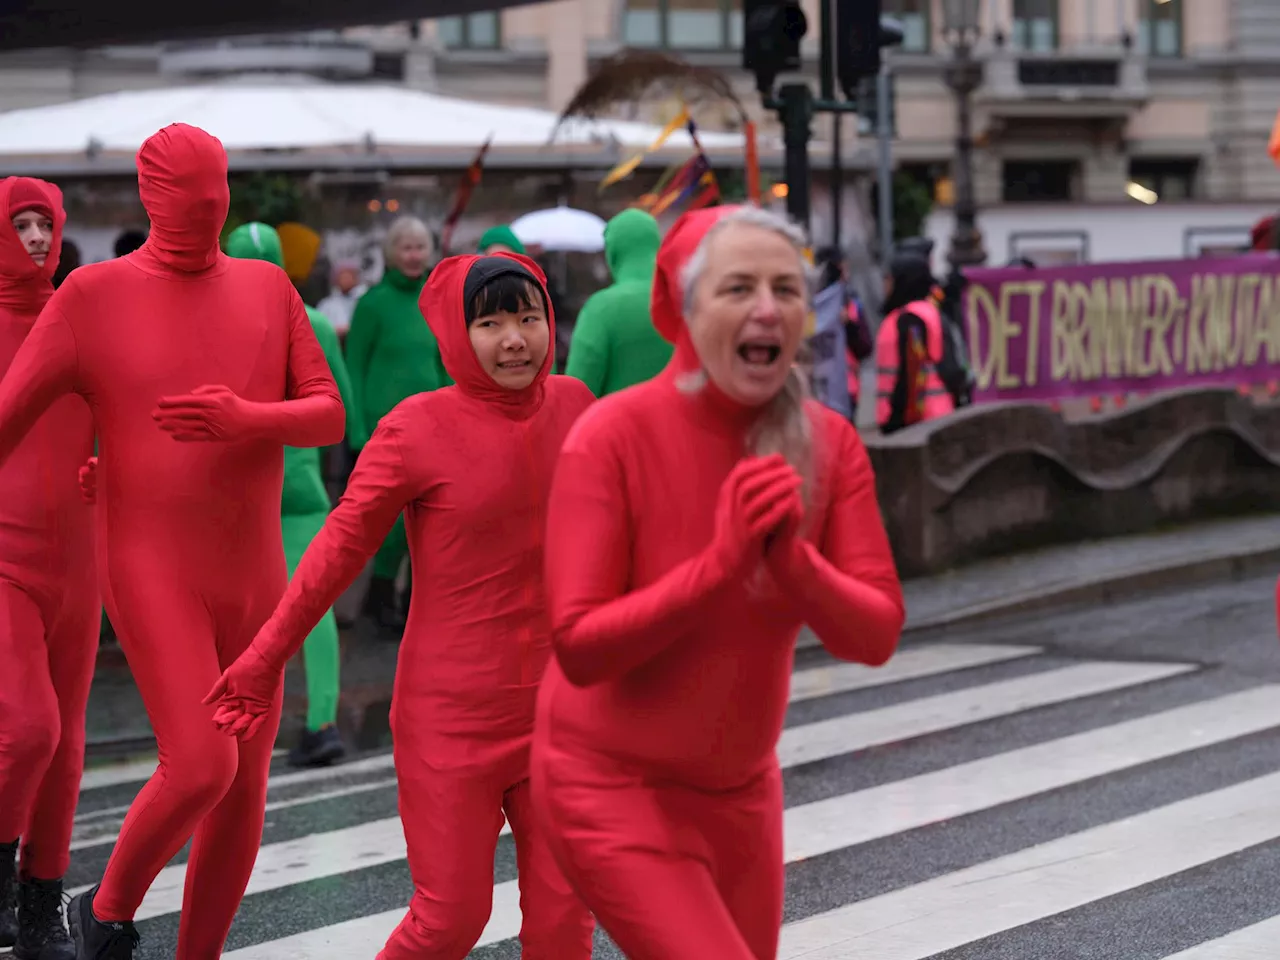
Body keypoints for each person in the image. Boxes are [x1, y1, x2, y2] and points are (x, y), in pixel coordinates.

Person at [0, 123, 345, 960]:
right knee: (202, 765)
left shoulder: (267, 287)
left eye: (217, 193)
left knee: (245, 791)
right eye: (190, 196)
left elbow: (329, 411)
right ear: (152, 199)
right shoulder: (92, 297)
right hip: (152, 563)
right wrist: (101, 460)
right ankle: (101, 911)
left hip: (254, 567)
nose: (207, 209)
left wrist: (246, 418)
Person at [529, 204, 905, 959]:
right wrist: (718, 568)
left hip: (742, 796)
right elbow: (579, 648)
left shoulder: (828, 441)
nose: (767, 308)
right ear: (685, 308)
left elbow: (875, 633)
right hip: (609, 786)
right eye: (738, 288)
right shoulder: (610, 437)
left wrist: (792, 565)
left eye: (786, 288)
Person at [204, 252, 596, 959]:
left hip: (561, 718)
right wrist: (263, 661)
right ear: (456, 331)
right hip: (451, 722)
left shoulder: (577, 407)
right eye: (491, 321)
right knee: (451, 920)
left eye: (529, 317)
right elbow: (337, 552)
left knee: (566, 924)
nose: (515, 338)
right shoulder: (416, 427)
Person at [225, 222, 368, 767]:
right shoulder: (313, 323)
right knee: (313, 606)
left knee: (236, 610)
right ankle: (322, 722)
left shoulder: (217, 327)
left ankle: (237, 725)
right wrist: (355, 460)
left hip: (235, 490)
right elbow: (345, 407)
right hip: (303, 486)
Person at [0, 177, 97, 960]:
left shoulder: (84, 316)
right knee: (31, 728)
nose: (36, 236)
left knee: (68, 746)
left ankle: (41, 905)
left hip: (84, 557)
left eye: (46, 223)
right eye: (20, 223)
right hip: (5, 557)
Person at [344, 215, 449, 630]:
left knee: (425, 514)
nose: (414, 255)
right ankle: (383, 593)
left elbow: (445, 361)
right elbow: (351, 367)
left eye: (420, 247)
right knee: (387, 518)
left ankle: (402, 599)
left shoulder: (435, 299)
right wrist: (354, 428)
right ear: (391, 253)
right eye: (405, 247)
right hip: (381, 425)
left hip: (432, 423)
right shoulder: (372, 304)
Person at [565, 208, 672, 397]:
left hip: (619, 425)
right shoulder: (687, 300)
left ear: (613, 252)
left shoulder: (601, 309)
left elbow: (577, 390)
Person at [874, 251, 963, 434]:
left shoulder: (910, 319)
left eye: (889, 278)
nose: (885, 284)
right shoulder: (928, 312)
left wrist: (897, 420)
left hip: (918, 422)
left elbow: (912, 372)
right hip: (937, 415)